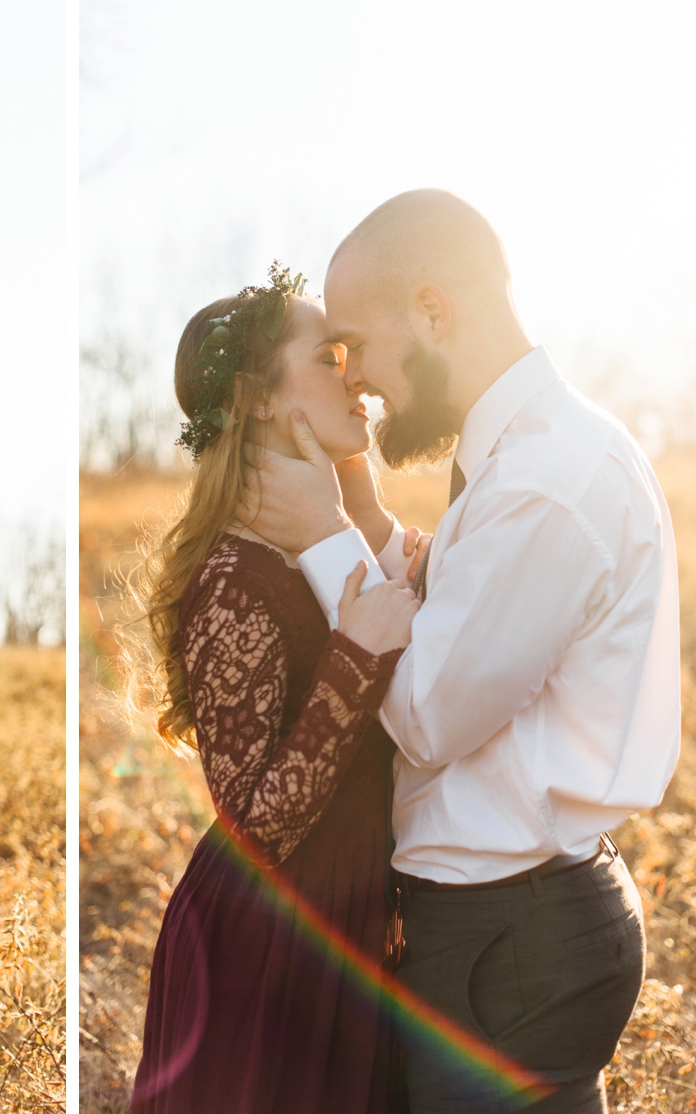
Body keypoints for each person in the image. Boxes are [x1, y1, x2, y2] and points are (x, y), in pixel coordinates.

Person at [241, 191, 681, 1112]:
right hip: (505, 925)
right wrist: (368, 526)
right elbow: (475, 610)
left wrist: (326, 541)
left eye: (356, 344)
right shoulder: (528, 457)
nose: (352, 377)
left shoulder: (546, 483)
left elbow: (425, 714)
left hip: (506, 937)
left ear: (432, 312)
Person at [126, 264, 424, 1113]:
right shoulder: (233, 577)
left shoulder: (328, 540)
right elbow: (254, 820)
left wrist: (363, 519)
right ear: (259, 399)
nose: (356, 378)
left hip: (346, 932)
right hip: (266, 959)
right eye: (329, 356)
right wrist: (354, 659)